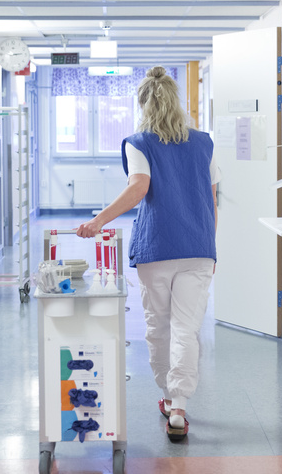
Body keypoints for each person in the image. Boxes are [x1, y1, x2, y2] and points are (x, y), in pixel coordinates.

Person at [76, 66, 219, 443]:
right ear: (177, 101)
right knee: (187, 328)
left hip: (157, 247)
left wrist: (99, 220)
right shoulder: (205, 142)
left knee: (159, 326)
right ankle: (179, 407)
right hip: (199, 248)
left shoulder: (138, 142)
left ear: (143, 104)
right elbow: (212, 197)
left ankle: (169, 394)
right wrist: (209, 244)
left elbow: (139, 187)